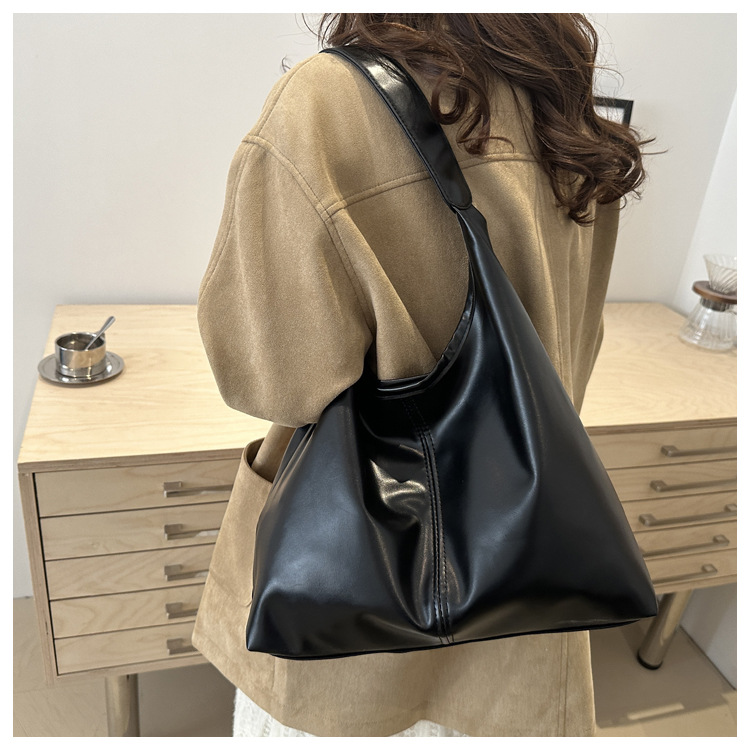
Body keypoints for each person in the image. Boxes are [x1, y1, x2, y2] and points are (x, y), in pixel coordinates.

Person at [193, 13, 650, 737]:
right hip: (529, 575)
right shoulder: (563, 100)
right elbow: (574, 341)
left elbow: (274, 381)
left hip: (356, 603)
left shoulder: (327, 102)